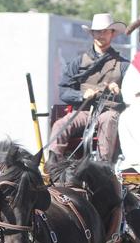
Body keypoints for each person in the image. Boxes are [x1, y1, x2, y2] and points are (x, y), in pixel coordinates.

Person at [47, 13, 129, 171]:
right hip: (84, 111)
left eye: (105, 31)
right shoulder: (78, 62)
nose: (101, 35)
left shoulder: (124, 65)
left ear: (112, 34)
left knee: (108, 119)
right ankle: (54, 166)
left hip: (111, 111)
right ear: (92, 34)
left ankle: (102, 166)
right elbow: (64, 91)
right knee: (61, 124)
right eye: (97, 31)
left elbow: (135, 94)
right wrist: (81, 95)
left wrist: (120, 92)